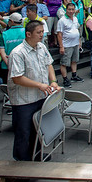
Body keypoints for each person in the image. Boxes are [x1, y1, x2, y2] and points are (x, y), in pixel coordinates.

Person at [8, 20, 60, 161]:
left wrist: (53, 81)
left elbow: (48, 64)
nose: (42, 35)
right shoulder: (18, 53)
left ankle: (36, 155)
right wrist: (39, 85)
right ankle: (22, 162)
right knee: (23, 132)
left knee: (37, 129)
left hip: (40, 96)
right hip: (24, 100)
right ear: (28, 34)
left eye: (43, 32)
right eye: (39, 32)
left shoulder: (41, 47)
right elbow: (17, 78)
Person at [57, 3, 83, 87]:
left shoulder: (75, 18)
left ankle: (74, 75)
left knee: (74, 60)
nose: (71, 11)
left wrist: (79, 43)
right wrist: (61, 46)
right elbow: (59, 34)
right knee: (64, 63)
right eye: (69, 9)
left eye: (73, 9)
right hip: (66, 45)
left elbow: (77, 31)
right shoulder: (62, 20)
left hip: (75, 43)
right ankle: (65, 79)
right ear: (66, 10)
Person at [0, 13, 27, 83]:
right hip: (25, 63)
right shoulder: (27, 32)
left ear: (11, 21)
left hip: (8, 66)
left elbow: (1, 51)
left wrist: (9, 63)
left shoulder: (4, 34)